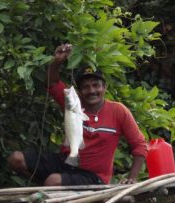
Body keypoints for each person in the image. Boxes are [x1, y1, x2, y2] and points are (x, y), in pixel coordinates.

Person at [8, 43, 147, 186]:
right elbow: (52, 82)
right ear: (79, 91)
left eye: (96, 85)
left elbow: (139, 145)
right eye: (86, 87)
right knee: (16, 159)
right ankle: (46, 186)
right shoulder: (72, 103)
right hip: (66, 162)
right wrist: (57, 61)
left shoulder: (119, 111)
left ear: (104, 87)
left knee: (54, 181)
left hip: (94, 176)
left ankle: (52, 187)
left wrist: (132, 177)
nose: (92, 90)